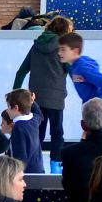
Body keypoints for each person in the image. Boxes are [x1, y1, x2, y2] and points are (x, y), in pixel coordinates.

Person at [13, 16, 74, 166]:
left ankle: (35, 166)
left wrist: (16, 94)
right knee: (57, 133)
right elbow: (74, 72)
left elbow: (21, 72)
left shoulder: (36, 46)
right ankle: (55, 168)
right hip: (56, 98)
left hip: (36, 99)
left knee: (37, 133)